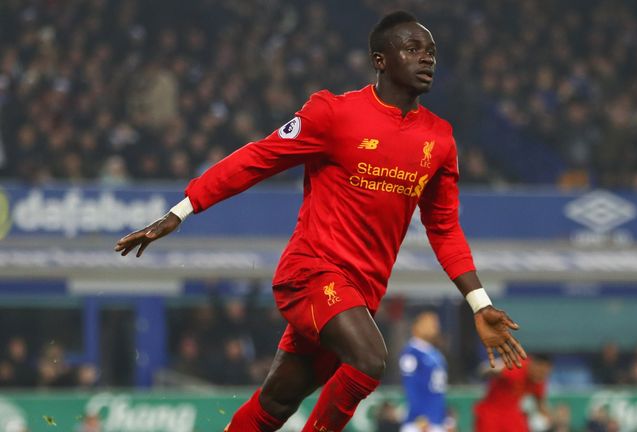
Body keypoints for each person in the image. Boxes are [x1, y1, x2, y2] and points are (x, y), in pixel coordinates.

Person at [115, 11, 526, 432]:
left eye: (432, 52)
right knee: (369, 359)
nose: (427, 59)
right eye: (413, 49)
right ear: (380, 60)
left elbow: (444, 228)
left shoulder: (439, 139)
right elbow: (258, 158)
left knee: (275, 403)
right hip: (311, 273)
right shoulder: (333, 113)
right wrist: (181, 209)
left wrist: (479, 302)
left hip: (360, 293)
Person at [399, 311, 451, 432]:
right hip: (419, 423)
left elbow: (438, 391)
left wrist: (446, 418)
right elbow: (411, 386)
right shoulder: (411, 352)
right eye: (428, 322)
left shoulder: (434, 352)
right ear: (416, 326)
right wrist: (420, 416)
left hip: (437, 419)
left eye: (435, 323)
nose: (434, 326)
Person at [474, 354, 552, 432]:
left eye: (545, 374)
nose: (542, 376)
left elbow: (540, 402)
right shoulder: (516, 366)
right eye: (541, 372)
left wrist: (550, 418)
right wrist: (490, 369)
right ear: (533, 365)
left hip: (512, 413)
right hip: (491, 411)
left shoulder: (539, 380)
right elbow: (488, 369)